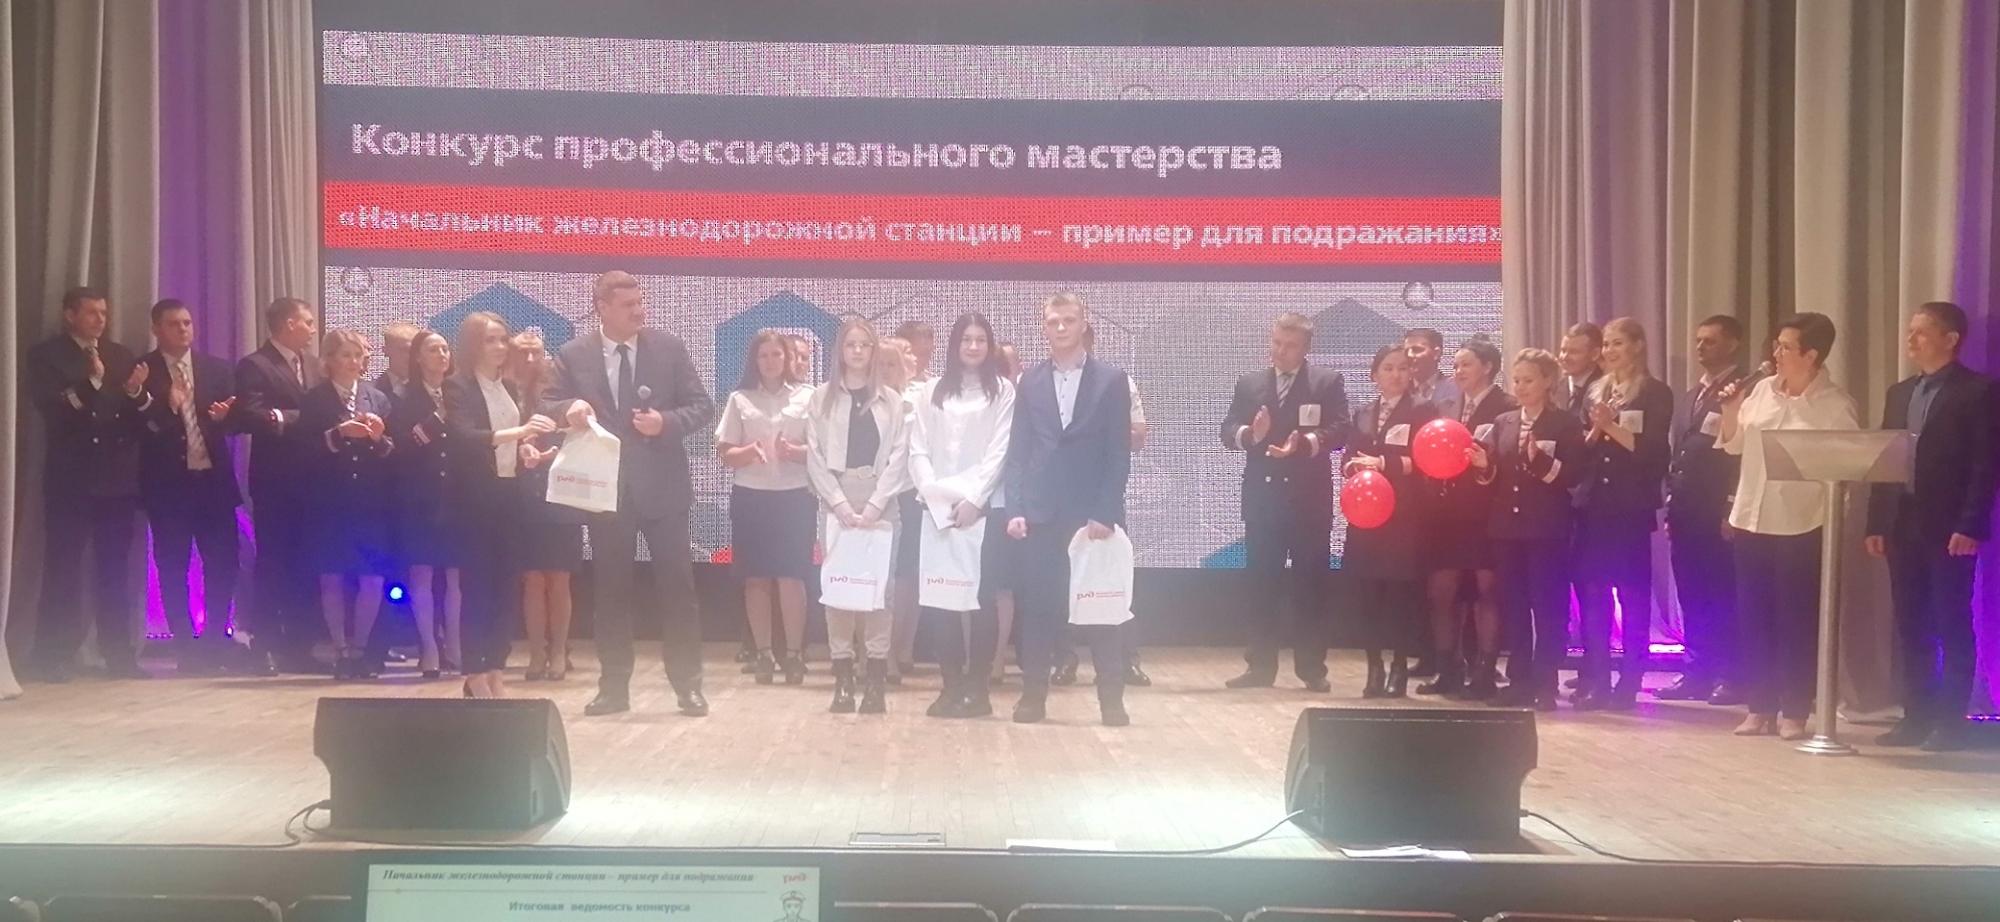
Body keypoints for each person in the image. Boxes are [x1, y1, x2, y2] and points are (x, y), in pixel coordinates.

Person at [546, 271, 716, 717]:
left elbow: (702, 406)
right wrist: (568, 408)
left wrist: (666, 422)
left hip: (664, 490)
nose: (639, 311)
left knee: (677, 590)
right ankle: (613, 688)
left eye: (640, 302)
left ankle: (688, 686)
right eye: (628, 305)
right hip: (606, 492)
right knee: (610, 592)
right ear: (601, 307)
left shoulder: (669, 348)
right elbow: (546, 402)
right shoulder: (574, 354)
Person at [1718, 312, 1859, 740]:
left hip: (1802, 522)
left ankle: (1795, 709)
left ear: (1811, 355)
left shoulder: (1835, 405)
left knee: (1796, 620)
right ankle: (1759, 707)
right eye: (1776, 345)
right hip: (1752, 517)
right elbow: (1733, 445)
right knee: (1753, 615)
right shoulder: (1762, 390)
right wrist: (1730, 408)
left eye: (1785, 347)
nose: (1775, 353)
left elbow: (1846, 467)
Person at [1866, 302, 1997, 751]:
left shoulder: (1978, 391)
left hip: (1949, 527)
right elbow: (1883, 460)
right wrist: (1877, 521)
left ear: (1950, 339)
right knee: (1911, 622)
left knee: (1951, 621)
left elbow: (1985, 465)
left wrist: (1970, 524)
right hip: (1903, 522)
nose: (1911, 339)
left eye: (1921, 332)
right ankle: (1916, 716)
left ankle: (1951, 722)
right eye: (1910, 331)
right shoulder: (1900, 393)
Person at [1005, 292, 1133, 726]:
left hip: (1092, 516)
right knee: (1040, 610)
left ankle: (1111, 702)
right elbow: (1019, 450)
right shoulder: (1030, 381)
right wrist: (1015, 507)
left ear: (1083, 324)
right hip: (1041, 512)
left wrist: (1105, 511)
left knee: (1101, 613)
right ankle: (1032, 698)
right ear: (1044, 327)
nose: (1060, 328)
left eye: (1068, 320)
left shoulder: (1111, 380)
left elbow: (1118, 453)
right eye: (1052, 321)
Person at [1221, 312, 1352, 692]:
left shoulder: (1326, 382)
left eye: (1290, 345)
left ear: (1306, 348)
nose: (1280, 351)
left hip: (1308, 501)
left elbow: (1340, 429)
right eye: (1276, 342)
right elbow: (1227, 430)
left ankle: (1311, 669)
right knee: (1262, 585)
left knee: (1310, 586)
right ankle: (1259, 666)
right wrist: (1250, 433)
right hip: (1263, 500)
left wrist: (1306, 443)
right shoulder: (1249, 383)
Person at [24, 287, 148, 681]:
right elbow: (52, 409)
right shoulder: (47, 355)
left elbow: (137, 417)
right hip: (71, 479)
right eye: (91, 312)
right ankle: (52, 656)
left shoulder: (119, 355)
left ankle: (119, 654)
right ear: (69, 315)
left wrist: (137, 394)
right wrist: (91, 383)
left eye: (103, 313)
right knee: (62, 570)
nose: (100, 320)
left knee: (114, 570)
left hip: (116, 480)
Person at [910, 312, 1016, 718]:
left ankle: (978, 689)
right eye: (966, 339)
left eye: (980, 340)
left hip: (980, 511)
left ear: (989, 346)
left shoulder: (1002, 391)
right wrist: (934, 495)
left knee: (980, 600)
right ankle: (950, 686)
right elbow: (917, 448)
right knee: (941, 599)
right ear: (955, 345)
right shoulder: (931, 391)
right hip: (936, 510)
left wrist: (974, 499)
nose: (973, 346)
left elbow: (999, 451)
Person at [805, 318, 908, 714]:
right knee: (839, 591)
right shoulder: (821, 398)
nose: (859, 351)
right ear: (840, 351)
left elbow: (899, 455)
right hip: (838, 501)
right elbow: (814, 456)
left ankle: (876, 680)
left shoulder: (891, 400)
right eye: (852, 345)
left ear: (874, 350)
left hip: (880, 500)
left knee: (881, 592)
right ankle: (843, 679)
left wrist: (876, 504)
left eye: (866, 345)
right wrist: (840, 504)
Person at [1570, 318, 1674, 710]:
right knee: (1593, 593)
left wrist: (1609, 426)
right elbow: (1586, 447)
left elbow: (1653, 453)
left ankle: (1630, 680)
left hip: (1629, 508)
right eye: (1607, 344)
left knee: (1632, 595)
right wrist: (1596, 431)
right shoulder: (1596, 390)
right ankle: (1597, 678)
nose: (1610, 351)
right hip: (1593, 505)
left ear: (1637, 346)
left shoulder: (1654, 392)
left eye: (1618, 343)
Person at [135, 299, 242, 676]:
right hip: (169, 487)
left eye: (187, 323)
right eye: (174, 324)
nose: (183, 330)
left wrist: (226, 418)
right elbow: (138, 429)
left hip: (213, 483)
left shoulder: (216, 369)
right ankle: (184, 645)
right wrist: (167, 407)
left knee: (224, 562)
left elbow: (235, 423)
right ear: (156, 329)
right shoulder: (143, 371)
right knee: (172, 565)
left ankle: (214, 640)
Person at [1478, 349, 1586, 709]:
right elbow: (1496, 475)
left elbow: (1573, 476)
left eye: (1529, 380)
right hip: (1507, 529)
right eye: (1517, 380)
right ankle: (1519, 680)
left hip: (1546, 529)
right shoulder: (1504, 421)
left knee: (1548, 606)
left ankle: (1545, 681)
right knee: (1514, 605)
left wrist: (1541, 463)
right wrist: (1483, 465)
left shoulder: (1565, 423)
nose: (1521, 387)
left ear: (1548, 382)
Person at [1337, 344, 1438, 697]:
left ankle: (1398, 667)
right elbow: (1348, 456)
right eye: (1389, 368)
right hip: (1366, 517)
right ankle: (1373, 666)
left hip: (1404, 516)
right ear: (1374, 375)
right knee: (1368, 595)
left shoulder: (1423, 411)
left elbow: (1426, 460)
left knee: (1400, 596)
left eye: (1402, 368)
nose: (1396, 375)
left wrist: (1384, 465)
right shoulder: (1363, 413)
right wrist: (1353, 467)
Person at [717, 329, 816, 686]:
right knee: (755, 577)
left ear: (787, 358)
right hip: (752, 496)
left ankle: (794, 654)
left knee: (792, 576)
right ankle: (763, 654)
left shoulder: (809, 397)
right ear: (754, 361)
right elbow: (725, 452)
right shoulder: (740, 398)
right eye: (764, 356)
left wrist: (796, 452)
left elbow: (823, 450)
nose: (771, 361)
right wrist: (746, 452)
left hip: (795, 496)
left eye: (777, 354)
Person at [1659, 315, 1748, 704]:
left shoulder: (1743, 389)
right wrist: (1671, 506)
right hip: (1686, 510)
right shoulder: (1691, 395)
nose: (1701, 347)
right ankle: (1697, 670)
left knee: (1723, 592)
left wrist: (1731, 506)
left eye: (1710, 341)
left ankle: (1732, 674)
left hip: (1719, 511)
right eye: (1698, 340)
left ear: (1733, 344)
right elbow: (1679, 454)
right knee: (1691, 592)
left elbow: (1741, 456)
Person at [234, 297, 324, 674]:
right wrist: (299, 417)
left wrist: (290, 417)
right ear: (289, 324)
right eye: (307, 322)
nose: (313, 329)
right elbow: (251, 414)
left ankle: (301, 646)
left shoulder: (313, 365)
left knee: (306, 564)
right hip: (275, 481)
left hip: (312, 480)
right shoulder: (256, 365)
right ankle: (265, 644)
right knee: (273, 562)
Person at [302, 329, 397, 680]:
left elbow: (392, 451)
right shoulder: (315, 399)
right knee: (333, 576)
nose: (353, 362)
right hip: (331, 500)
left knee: (372, 577)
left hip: (370, 501)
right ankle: (341, 649)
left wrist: (377, 437)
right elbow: (303, 450)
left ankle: (360, 648)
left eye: (358, 355)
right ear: (329, 360)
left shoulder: (377, 398)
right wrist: (339, 434)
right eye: (345, 355)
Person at [510, 329, 586, 682]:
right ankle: (536, 652)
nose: (530, 360)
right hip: (522, 497)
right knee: (532, 579)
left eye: (535, 353)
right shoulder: (504, 393)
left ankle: (559, 650)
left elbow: (580, 438)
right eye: (522, 353)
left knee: (559, 577)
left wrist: (551, 454)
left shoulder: (560, 393)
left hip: (561, 495)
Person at [386, 328, 457, 677]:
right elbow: (401, 445)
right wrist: (437, 418)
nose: (441, 355)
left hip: (456, 496)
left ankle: (455, 646)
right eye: (433, 349)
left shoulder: (461, 393)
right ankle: (429, 647)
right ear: (417, 357)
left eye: (445, 349)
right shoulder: (405, 398)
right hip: (419, 497)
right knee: (422, 572)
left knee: (457, 574)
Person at [889, 321, 935, 681]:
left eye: (925, 349)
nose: (919, 357)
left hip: (918, 494)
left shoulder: (931, 391)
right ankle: (882, 651)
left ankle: (905, 647)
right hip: (885, 493)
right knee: (889, 577)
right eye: (910, 350)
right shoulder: (878, 394)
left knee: (913, 574)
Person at [987, 341, 1024, 682]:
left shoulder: (1024, 404)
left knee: (1003, 588)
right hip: (970, 506)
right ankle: (972, 659)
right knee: (970, 586)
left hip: (1007, 507)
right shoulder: (969, 400)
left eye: (1007, 368)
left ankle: (997, 658)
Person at [1558, 321, 1605, 422]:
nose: (1564, 357)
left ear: (1595, 354)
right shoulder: (1553, 389)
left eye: (1573, 352)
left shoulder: (1607, 388)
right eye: (1563, 350)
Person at [1404, 327, 1458, 406]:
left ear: (1436, 353)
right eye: (1406, 351)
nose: (1409, 355)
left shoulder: (1455, 389)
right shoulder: (1399, 390)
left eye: (1417, 350)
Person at [376, 321, 421, 405]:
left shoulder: (429, 390)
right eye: (404, 350)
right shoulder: (369, 391)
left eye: (414, 351)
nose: (410, 356)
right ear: (386, 350)